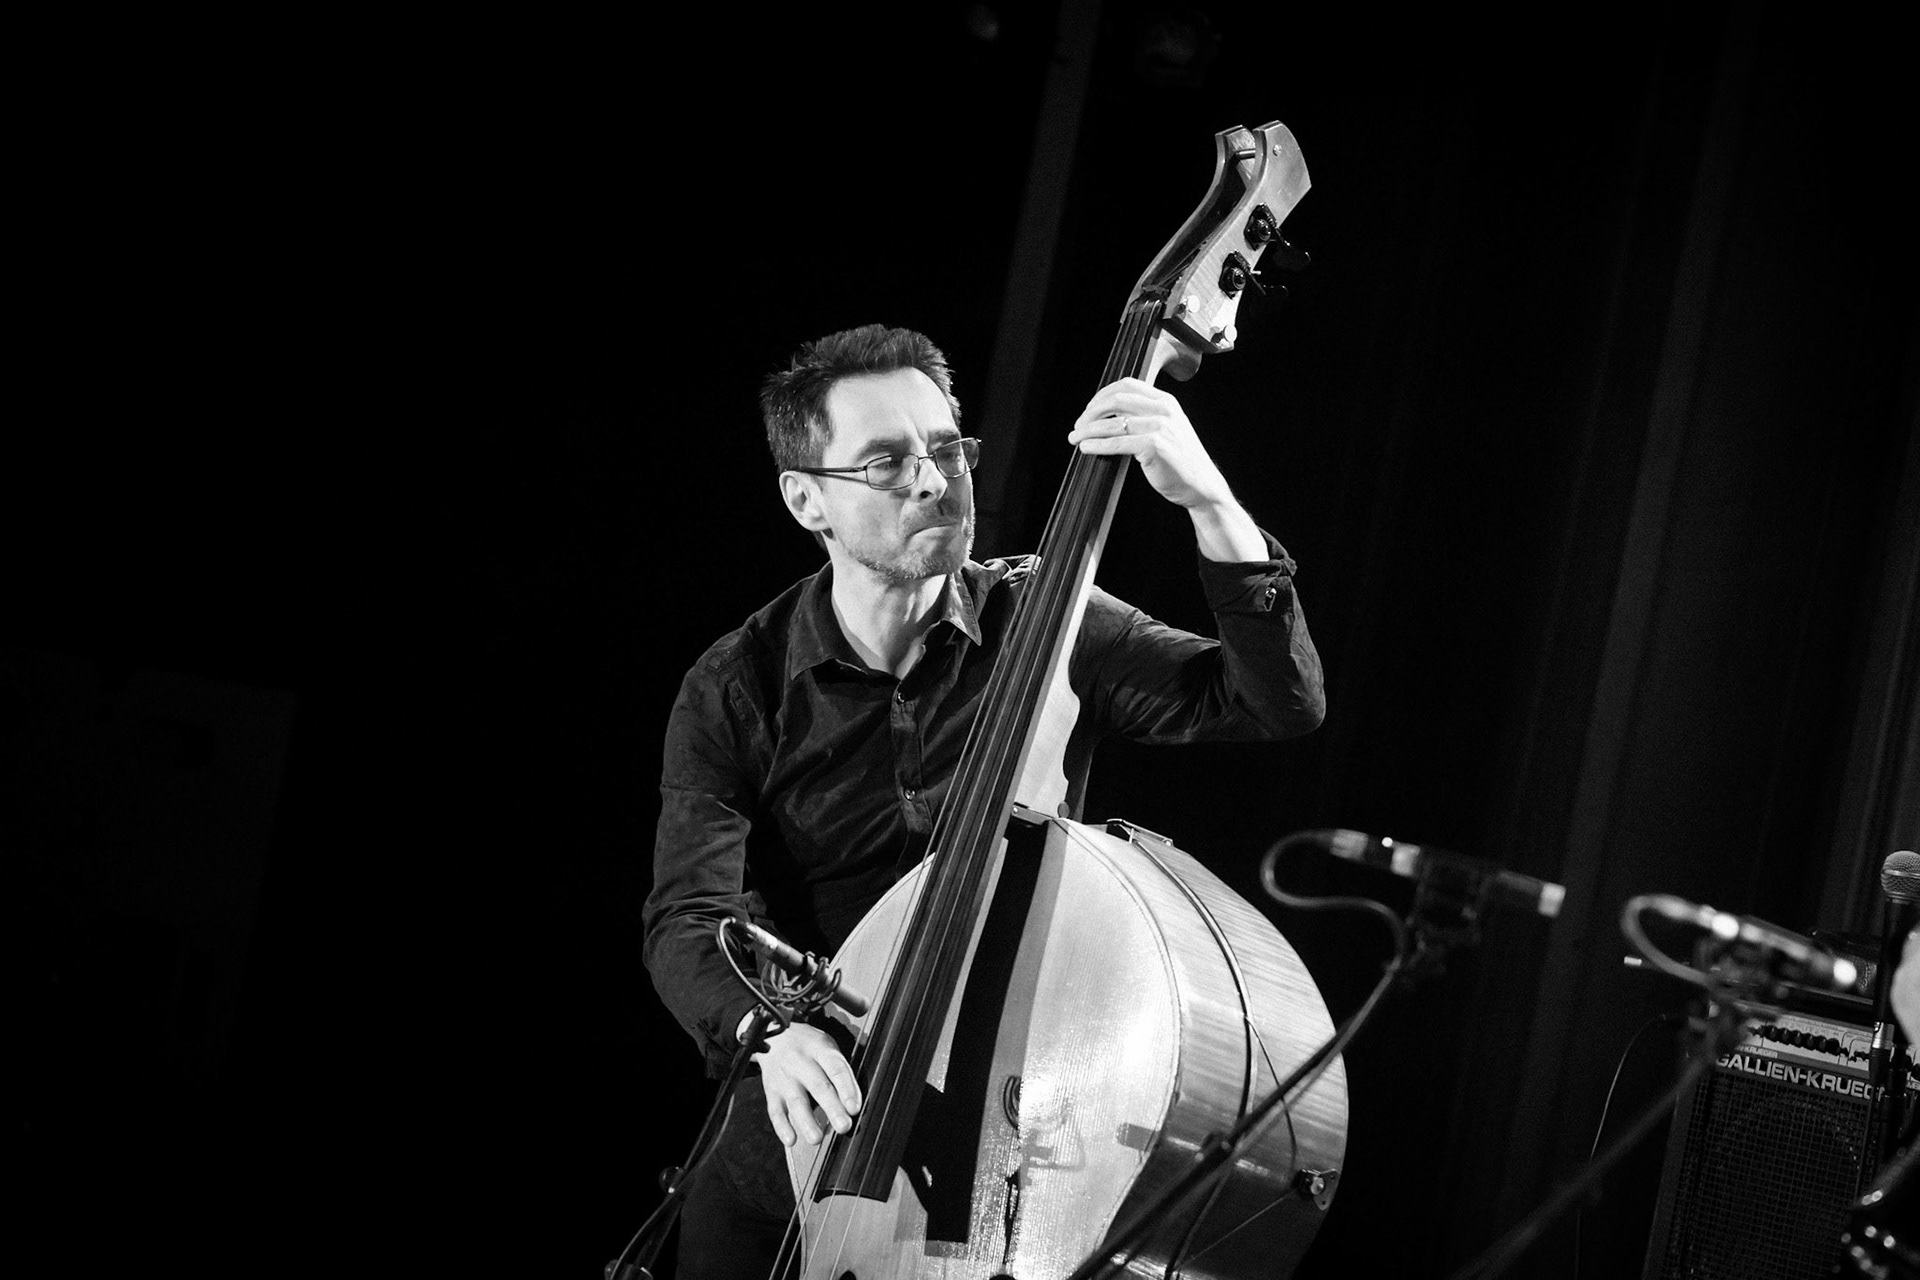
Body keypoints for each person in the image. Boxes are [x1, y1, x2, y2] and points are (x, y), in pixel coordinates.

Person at [642, 323, 1326, 1279]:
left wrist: (1210, 504)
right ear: (808, 500)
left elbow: (1271, 702)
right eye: (884, 462)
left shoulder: (1046, 616)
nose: (933, 479)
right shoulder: (738, 684)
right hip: (814, 1098)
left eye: (946, 447)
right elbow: (688, 916)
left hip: (1022, 1096)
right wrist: (770, 1032)